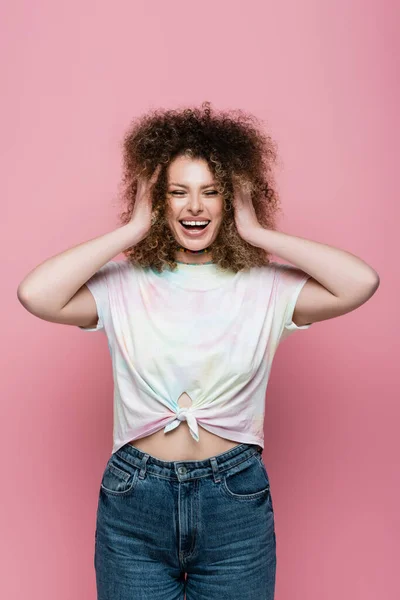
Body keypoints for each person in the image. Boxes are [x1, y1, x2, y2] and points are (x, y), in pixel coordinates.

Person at [17, 102, 379, 600]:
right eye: (178, 192)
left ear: (231, 201)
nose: (195, 207)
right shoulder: (122, 285)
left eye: (211, 192)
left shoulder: (265, 288)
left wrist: (257, 234)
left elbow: (361, 282)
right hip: (133, 501)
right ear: (158, 202)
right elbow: (36, 295)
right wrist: (131, 230)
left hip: (234, 500)